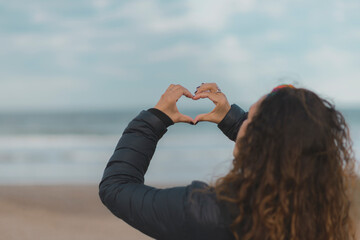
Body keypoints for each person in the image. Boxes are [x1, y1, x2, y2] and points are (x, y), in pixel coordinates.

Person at [99, 83, 356, 240]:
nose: (243, 124)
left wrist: (153, 120)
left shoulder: (210, 213)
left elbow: (116, 187)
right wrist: (231, 119)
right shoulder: (325, 208)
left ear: (257, 140)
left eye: (250, 121)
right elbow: (291, 147)